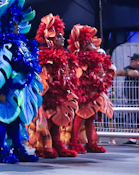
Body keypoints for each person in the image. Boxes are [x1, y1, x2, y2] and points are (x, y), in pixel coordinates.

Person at [0, 0, 42, 163]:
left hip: (19, 89)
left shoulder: (22, 44)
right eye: (13, 23)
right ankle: (2, 150)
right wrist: (0, 90)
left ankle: (18, 148)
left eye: (18, 22)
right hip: (5, 90)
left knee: (15, 120)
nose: (17, 26)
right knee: (3, 119)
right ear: (6, 24)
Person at [27, 14, 79, 158]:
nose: (63, 39)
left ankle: (57, 145)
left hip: (61, 94)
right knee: (46, 122)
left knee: (57, 121)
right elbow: (41, 77)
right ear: (50, 38)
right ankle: (43, 148)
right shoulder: (43, 55)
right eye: (59, 36)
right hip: (47, 95)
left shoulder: (65, 55)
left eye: (62, 36)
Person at [67, 25, 115, 153]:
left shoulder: (93, 55)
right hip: (83, 91)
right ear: (83, 44)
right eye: (88, 42)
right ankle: (73, 142)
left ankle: (90, 143)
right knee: (80, 116)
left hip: (92, 91)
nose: (92, 44)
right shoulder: (80, 57)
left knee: (90, 118)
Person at [117, 54, 139, 143]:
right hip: (131, 99)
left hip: (137, 98)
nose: (131, 62)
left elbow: (134, 73)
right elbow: (119, 72)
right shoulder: (129, 67)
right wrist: (126, 71)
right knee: (133, 119)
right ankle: (133, 138)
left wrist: (127, 72)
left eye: (133, 60)